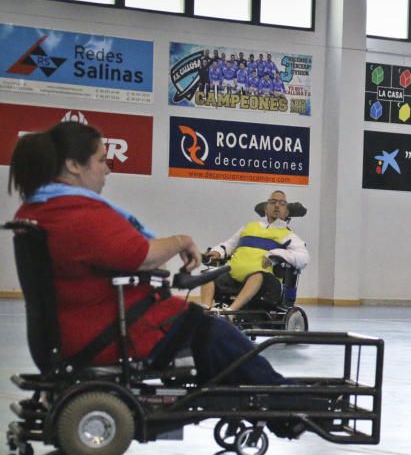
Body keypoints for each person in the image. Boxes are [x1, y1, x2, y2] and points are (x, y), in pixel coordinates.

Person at [8, 121, 285, 386]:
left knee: (213, 333)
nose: (107, 170)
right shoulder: (76, 214)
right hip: (112, 333)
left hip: (82, 328)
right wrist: (180, 241)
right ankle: (281, 401)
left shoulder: (39, 209)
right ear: (73, 165)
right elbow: (142, 255)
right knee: (216, 334)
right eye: (102, 160)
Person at [200, 190, 308, 312]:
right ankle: (206, 310)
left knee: (257, 275)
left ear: (287, 211)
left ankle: (231, 311)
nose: (277, 205)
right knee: (208, 274)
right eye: (272, 202)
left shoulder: (289, 236)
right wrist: (217, 252)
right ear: (266, 208)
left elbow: (303, 257)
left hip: (266, 283)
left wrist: (275, 255)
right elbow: (229, 244)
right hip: (234, 276)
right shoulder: (249, 227)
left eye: (282, 203)